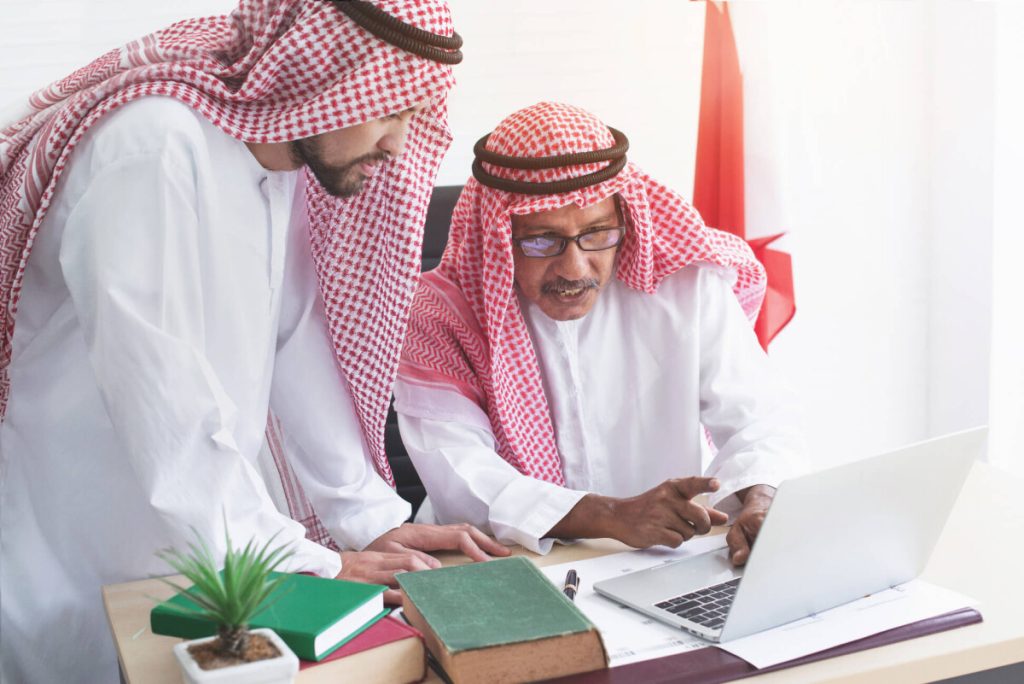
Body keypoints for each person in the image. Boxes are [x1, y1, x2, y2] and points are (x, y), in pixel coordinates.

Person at [0, 2, 508, 681]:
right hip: (80, 532)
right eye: (390, 110)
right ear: (319, 75)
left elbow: (295, 345)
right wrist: (298, 559)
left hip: (210, 533)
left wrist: (366, 519)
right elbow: (160, 393)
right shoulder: (156, 146)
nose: (396, 145)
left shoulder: (276, 162)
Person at [396, 102, 805, 562]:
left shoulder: (687, 286)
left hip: (660, 558)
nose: (574, 268)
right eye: (542, 240)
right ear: (498, 235)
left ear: (624, 220)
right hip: (499, 560)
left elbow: (760, 419)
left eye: (596, 234)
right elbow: (459, 474)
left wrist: (762, 498)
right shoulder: (440, 314)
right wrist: (611, 515)